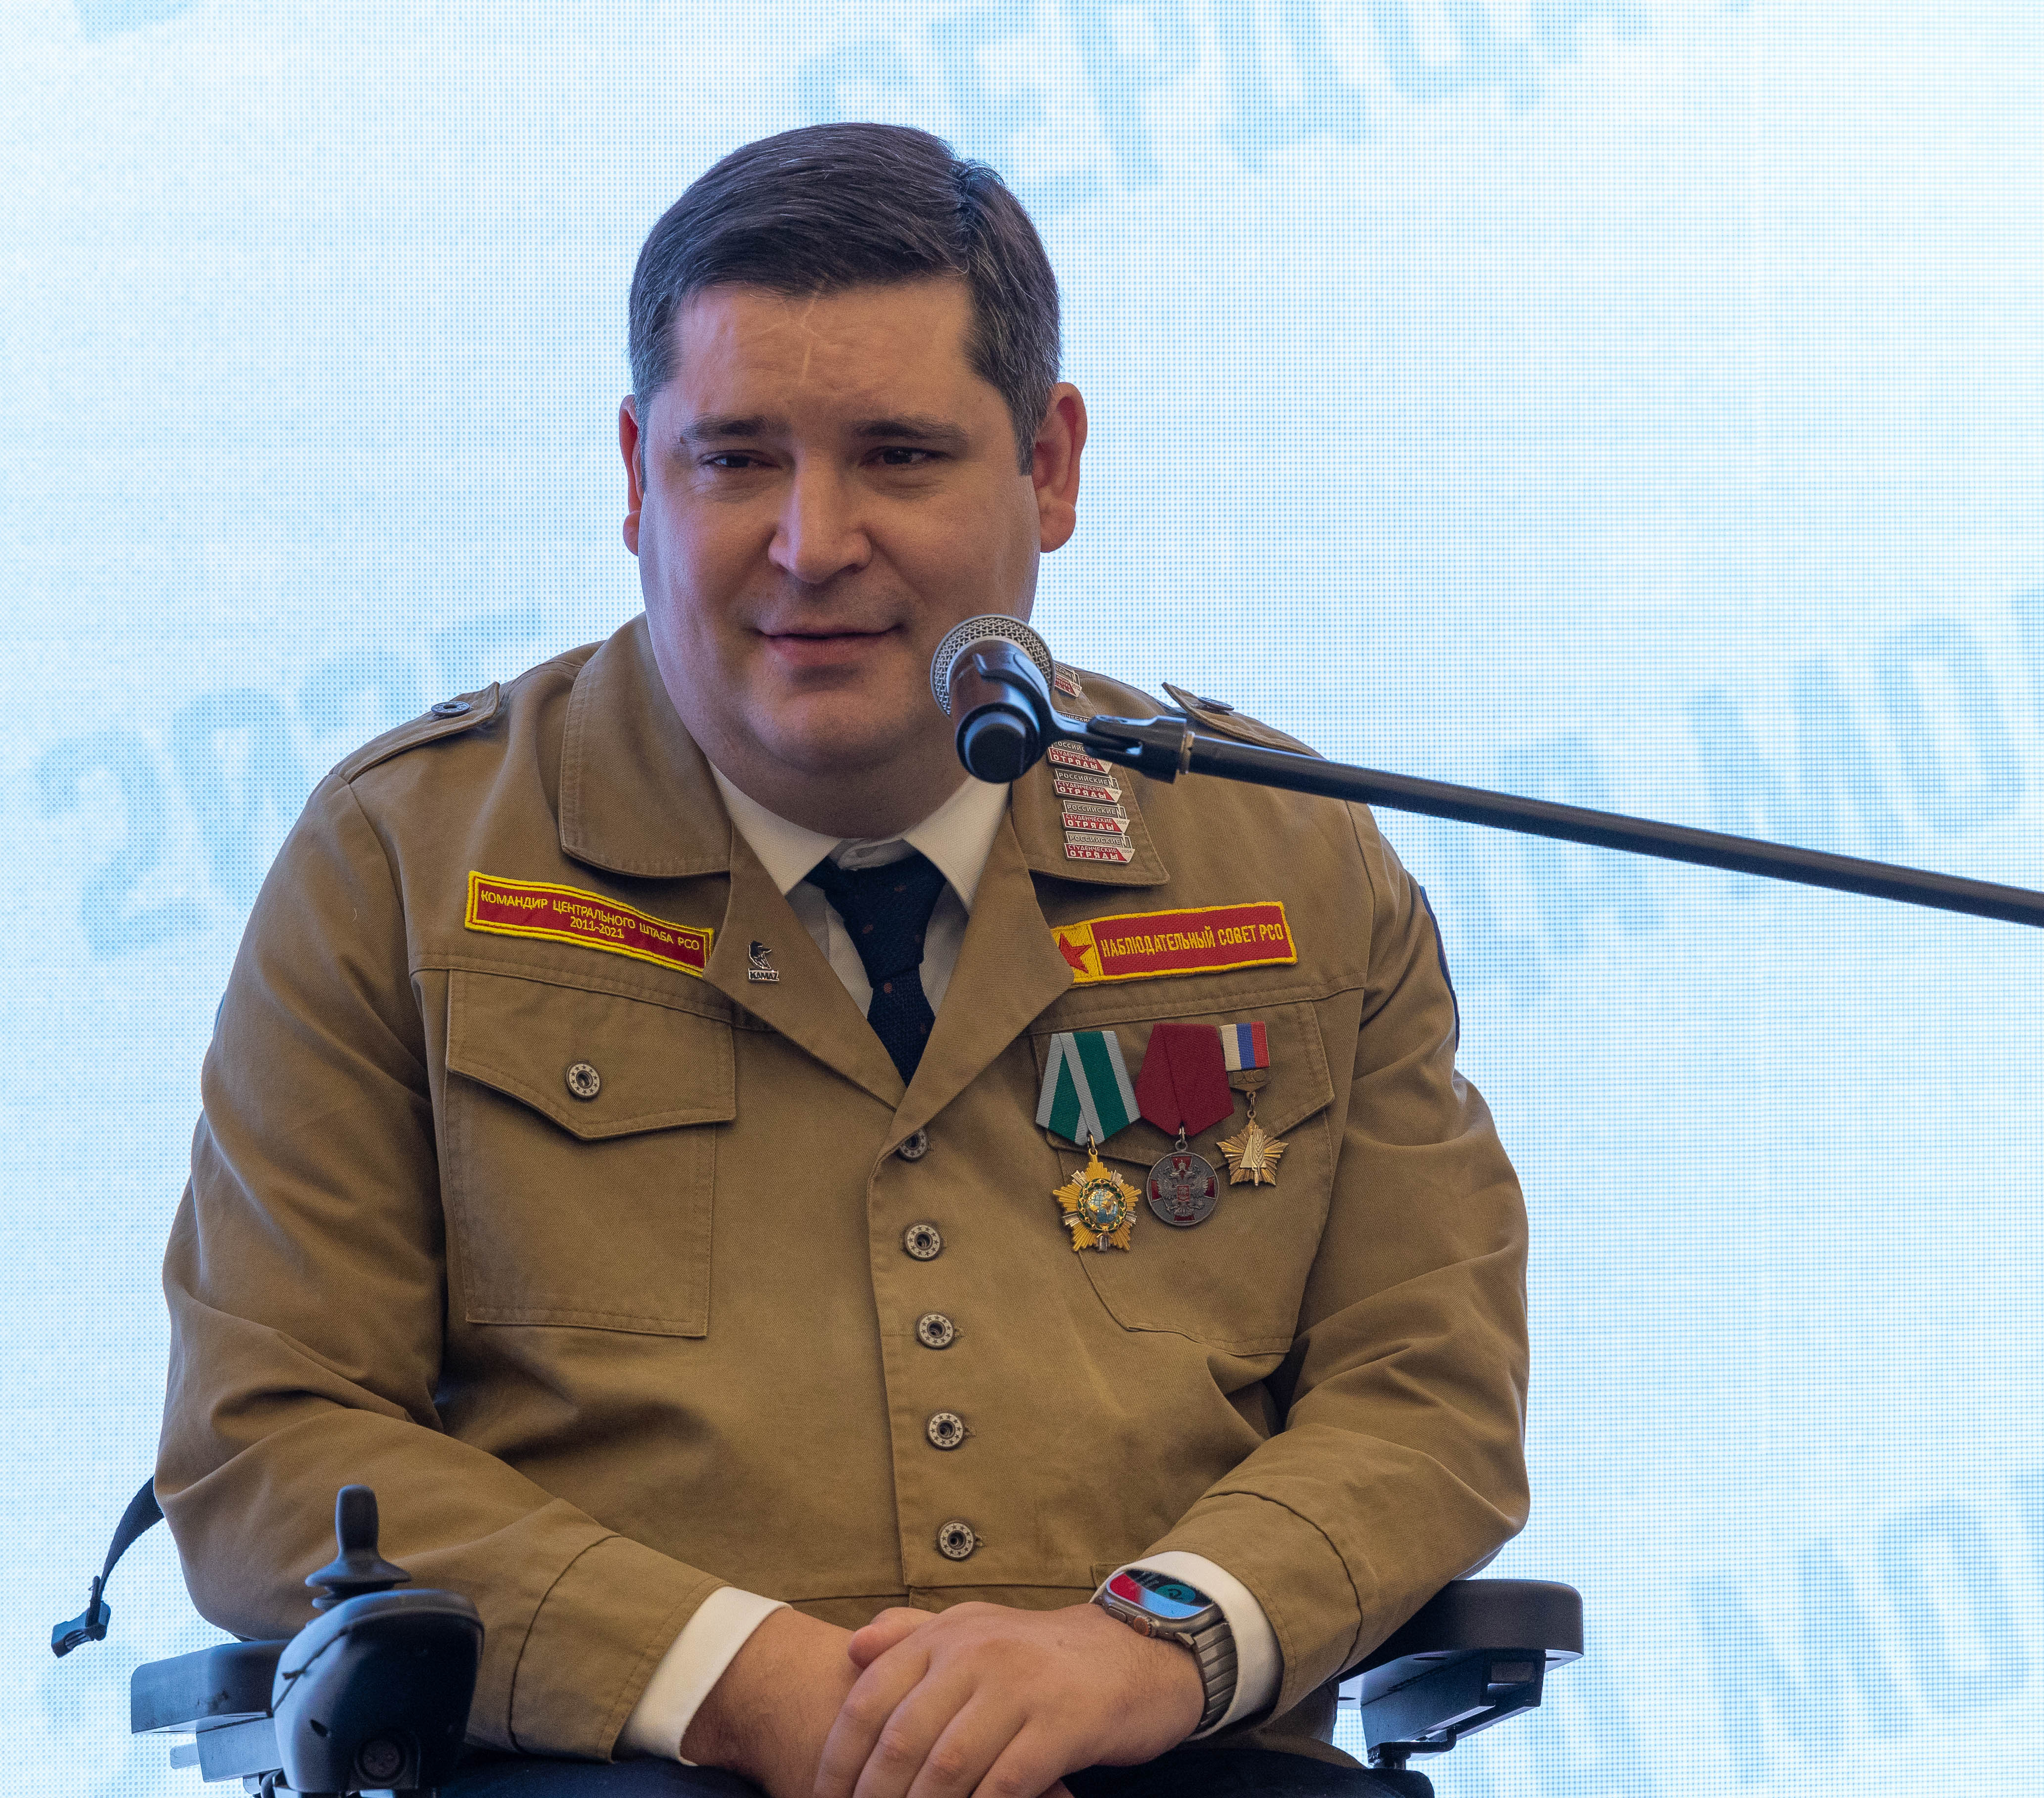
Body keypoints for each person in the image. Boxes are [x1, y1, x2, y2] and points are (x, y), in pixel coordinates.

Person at [158, 124, 1527, 1798]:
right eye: (736, 460)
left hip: (1159, 1758)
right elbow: (269, 1438)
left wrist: (1144, 1648)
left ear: (1050, 468)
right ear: (636, 476)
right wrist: (730, 1677)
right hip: (618, 1769)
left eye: (898, 456)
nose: (812, 543)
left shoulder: (1290, 860)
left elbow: (1428, 1395)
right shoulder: (400, 862)